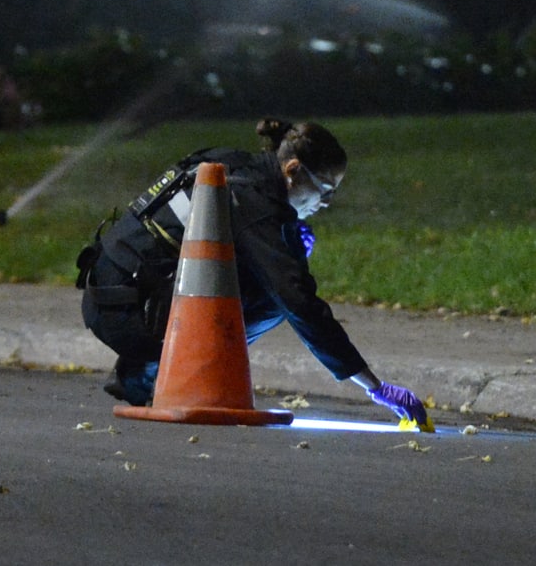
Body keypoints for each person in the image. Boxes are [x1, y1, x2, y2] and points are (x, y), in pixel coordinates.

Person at [77, 118, 429, 427]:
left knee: (255, 277)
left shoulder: (234, 165)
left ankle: (140, 374)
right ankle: (160, 373)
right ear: (292, 171)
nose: (324, 205)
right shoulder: (254, 202)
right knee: (273, 298)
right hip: (127, 313)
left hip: (108, 292)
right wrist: (374, 386)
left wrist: (287, 234)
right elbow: (298, 301)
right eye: (324, 191)